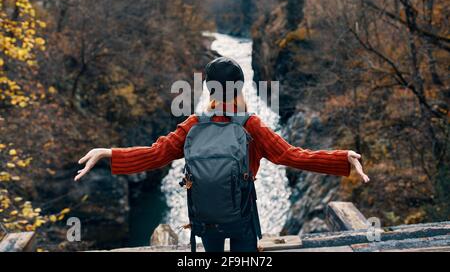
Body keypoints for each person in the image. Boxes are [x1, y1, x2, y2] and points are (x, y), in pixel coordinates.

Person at [75, 57, 370, 252]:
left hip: (204, 216)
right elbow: (292, 156)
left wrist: (108, 153)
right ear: (240, 87)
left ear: (209, 90)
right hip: (242, 214)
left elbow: (155, 155)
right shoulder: (252, 125)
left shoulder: (193, 124)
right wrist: (342, 158)